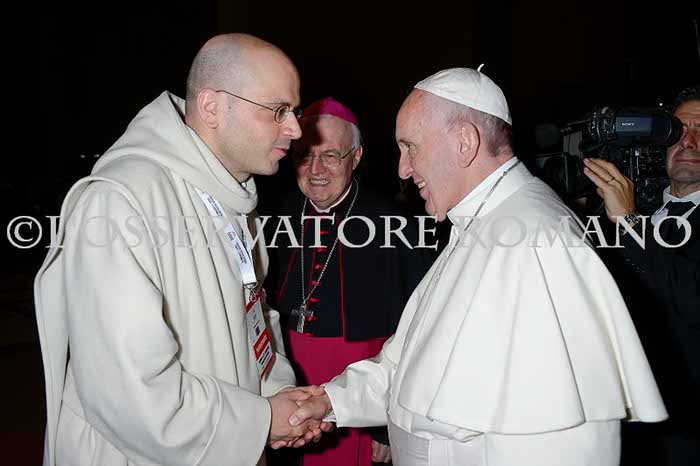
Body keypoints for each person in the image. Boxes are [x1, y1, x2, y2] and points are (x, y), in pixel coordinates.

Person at [287, 67, 668, 466]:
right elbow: (407, 365)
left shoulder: (536, 240)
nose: (402, 169)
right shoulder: (478, 220)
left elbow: (566, 445)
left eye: (410, 147)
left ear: (465, 142)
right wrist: (329, 401)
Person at [33, 33, 329, 466]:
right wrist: (261, 420)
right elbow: (129, 392)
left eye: (294, 111)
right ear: (211, 106)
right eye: (278, 110)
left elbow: (252, 312)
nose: (296, 130)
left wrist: (277, 393)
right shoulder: (121, 200)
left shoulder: (231, 194)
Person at [265, 97, 432, 465]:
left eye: (330, 156)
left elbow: (417, 334)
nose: (315, 169)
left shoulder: (396, 224)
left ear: (355, 157)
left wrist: (384, 427)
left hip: (357, 393)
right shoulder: (274, 214)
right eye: (305, 156)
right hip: (283, 382)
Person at [582, 85, 699, 465]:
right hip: (620, 419)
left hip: (685, 425)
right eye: (679, 130)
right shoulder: (629, 207)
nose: (689, 142)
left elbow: (689, 296)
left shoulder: (630, 215)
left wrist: (630, 222)